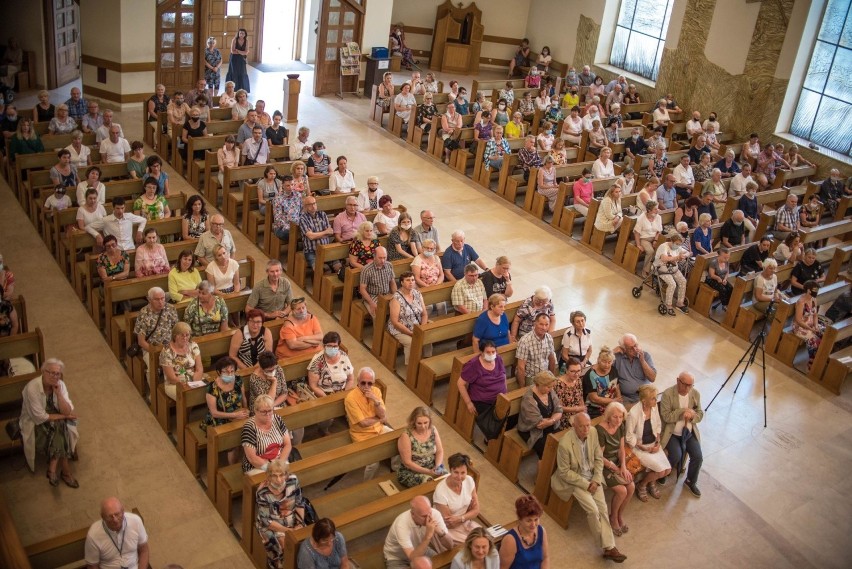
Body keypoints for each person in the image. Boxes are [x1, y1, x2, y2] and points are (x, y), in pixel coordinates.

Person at [19, 359, 80, 484]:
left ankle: (53, 468)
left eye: (58, 373)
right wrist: (64, 417)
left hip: (55, 419)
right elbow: (40, 417)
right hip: (36, 423)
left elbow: (67, 411)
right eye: (51, 373)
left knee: (59, 425)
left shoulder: (60, 385)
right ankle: (65, 471)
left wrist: (59, 395)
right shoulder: (32, 388)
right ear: (43, 372)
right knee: (61, 425)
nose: (55, 376)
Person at [255, 458, 306, 569]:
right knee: (283, 546)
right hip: (272, 525)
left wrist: (300, 524)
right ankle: (277, 566)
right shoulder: (262, 492)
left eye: (282, 475)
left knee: (305, 542)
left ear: (286, 474)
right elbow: (266, 520)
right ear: (268, 476)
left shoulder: (293, 481)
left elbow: (299, 503)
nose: (279, 479)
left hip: (292, 519)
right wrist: (289, 531)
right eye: (274, 475)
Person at [660, 372, 704, 497]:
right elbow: (667, 417)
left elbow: (700, 414)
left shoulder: (695, 394)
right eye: (685, 385)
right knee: (676, 454)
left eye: (691, 385)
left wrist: (692, 416)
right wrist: (683, 411)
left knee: (698, 456)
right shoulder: (668, 394)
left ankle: (691, 481)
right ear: (678, 381)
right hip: (673, 433)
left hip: (688, 432)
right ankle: (664, 473)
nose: (688, 388)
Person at [594, 402, 634, 537]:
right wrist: (614, 468)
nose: (618, 420)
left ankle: (618, 515)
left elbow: (621, 449)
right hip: (603, 465)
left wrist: (623, 466)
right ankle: (612, 518)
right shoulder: (600, 431)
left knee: (631, 486)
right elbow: (599, 457)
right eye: (615, 417)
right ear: (608, 417)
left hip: (616, 463)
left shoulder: (620, 426)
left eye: (621, 417)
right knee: (622, 491)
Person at [345, 367, 393, 479]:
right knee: (373, 461)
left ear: (373, 383)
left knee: (397, 440)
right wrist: (380, 419)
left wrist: (376, 401)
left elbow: (382, 414)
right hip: (362, 434)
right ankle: (367, 482)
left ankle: (394, 469)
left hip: (379, 428)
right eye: (363, 383)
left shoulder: (376, 392)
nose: (366, 386)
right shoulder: (350, 398)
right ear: (358, 381)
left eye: (369, 383)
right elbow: (363, 423)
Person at [626, 384, 671, 501]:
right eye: (653, 398)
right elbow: (629, 437)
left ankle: (650, 482)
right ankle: (642, 485)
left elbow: (658, 426)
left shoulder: (654, 408)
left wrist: (657, 442)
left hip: (653, 444)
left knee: (668, 470)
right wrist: (643, 447)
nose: (656, 400)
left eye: (655, 398)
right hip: (640, 447)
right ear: (644, 401)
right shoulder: (633, 413)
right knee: (661, 471)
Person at [384, 495, 454, 568]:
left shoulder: (435, 514)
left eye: (429, 513)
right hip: (397, 558)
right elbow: (413, 558)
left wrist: (439, 531)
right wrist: (428, 536)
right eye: (424, 516)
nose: (428, 518)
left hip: (422, 549)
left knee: (441, 565)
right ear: (413, 514)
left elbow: (450, 546)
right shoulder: (401, 524)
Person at [458, 339, 508, 441]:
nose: (491, 354)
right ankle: (490, 438)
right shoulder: (473, 365)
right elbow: (460, 384)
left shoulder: (498, 359)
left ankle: (500, 436)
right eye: (488, 352)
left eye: (493, 352)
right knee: (494, 422)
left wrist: (505, 393)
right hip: (482, 400)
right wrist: (468, 403)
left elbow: (504, 376)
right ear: (481, 352)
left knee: (511, 415)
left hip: (500, 397)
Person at [199, 356, 249, 452]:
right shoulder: (212, 388)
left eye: (232, 371)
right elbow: (214, 413)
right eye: (226, 371)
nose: (230, 374)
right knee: (233, 442)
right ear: (219, 372)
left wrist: (245, 410)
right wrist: (234, 415)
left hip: (238, 414)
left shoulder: (238, 379)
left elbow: (243, 397)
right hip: (220, 418)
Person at [84, 497, 149, 569]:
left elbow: (144, 550)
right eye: (110, 516)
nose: (115, 520)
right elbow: (92, 566)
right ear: (102, 517)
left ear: (123, 511)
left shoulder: (135, 521)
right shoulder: (93, 535)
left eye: (117, 514)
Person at [435, 453, 481, 546]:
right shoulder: (440, 491)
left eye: (463, 473)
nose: (459, 477)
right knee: (472, 545)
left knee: (485, 537)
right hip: (447, 529)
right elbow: (450, 524)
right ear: (450, 470)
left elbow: (476, 510)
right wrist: (468, 513)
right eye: (456, 472)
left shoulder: (469, 480)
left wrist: (462, 518)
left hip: (465, 521)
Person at [518, 370, 564, 459]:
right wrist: (554, 418)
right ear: (538, 385)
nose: (551, 389)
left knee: (564, 444)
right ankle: (545, 470)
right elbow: (539, 424)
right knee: (548, 450)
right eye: (548, 387)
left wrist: (551, 421)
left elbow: (559, 410)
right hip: (532, 431)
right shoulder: (529, 399)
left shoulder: (550, 391)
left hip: (550, 426)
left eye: (552, 386)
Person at [242, 394, 292, 474]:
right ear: (255, 411)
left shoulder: (277, 419)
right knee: (273, 482)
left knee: (290, 479)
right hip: (257, 466)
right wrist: (271, 468)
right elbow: (252, 458)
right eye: (263, 412)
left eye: (270, 410)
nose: (268, 414)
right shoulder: (249, 427)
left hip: (279, 461)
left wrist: (281, 463)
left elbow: (287, 444)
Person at [397, 406, 445, 488]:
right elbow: (407, 463)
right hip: (411, 471)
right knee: (430, 484)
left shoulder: (433, 429)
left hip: (432, 467)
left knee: (448, 478)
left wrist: (437, 466)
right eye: (419, 423)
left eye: (426, 422)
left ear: (430, 421)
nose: (423, 426)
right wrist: (429, 472)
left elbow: (439, 451)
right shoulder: (406, 436)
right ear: (413, 422)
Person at [389, 271, 431, 365]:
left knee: (429, 332)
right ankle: (411, 367)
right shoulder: (396, 298)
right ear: (402, 282)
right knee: (411, 342)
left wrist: (422, 329)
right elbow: (395, 322)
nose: (411, 282)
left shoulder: (417, 294)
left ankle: (427, 360)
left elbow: (424, 314)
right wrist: (411, 333)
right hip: (401, 328)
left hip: (417, 324)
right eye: (408, 280)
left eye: (412, 280)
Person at [498, 495, 551, 568]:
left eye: (536, 519)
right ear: (520, 520)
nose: (533, 524)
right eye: (529, 520)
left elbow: (545, 558)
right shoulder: (510, 540)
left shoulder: (542, 531)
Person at [134, 286, 179, 368]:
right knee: (152, 368)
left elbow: (176, 330)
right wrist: (156, 352)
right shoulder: (143, 314)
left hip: (170, 346)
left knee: (181, 363)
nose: (161, 302)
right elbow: (141, 342)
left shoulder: (170, 308)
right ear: (149, 299)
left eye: (162, 298)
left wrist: (175, 347)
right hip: (151, 348)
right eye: (157, 299)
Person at [159, 321, 203, 400]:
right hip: (174, 384)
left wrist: (195, 382)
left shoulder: (193, 345)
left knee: (208, 391)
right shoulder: (166, 351)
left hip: (193, 379)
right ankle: (185, 412)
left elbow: (199, 368)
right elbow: (171, 378)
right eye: (182, 335)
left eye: (187, 335)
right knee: (188, 397)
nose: (185, 338)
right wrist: (187, 386)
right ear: (175, 336)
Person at [307, 331, 354, 399]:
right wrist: (328, 399)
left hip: (344, 391)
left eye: (335, 346)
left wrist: (344, 395)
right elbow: (313, 386)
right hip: (325, 394)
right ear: (324, 346)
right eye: (329, 346)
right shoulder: (317, 361)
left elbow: (351, 379)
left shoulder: (343, 356)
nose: (332, 348)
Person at [613, 333, 656, 404]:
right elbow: (599, 368)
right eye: (631, 348)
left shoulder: (645, 356)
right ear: (624, 349)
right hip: (626, 398)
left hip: (644, 395)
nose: (635, 349)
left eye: (635, 345)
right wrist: (611, 352)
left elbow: (652, 378)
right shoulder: (617, 357)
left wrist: (642, 361)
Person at [516, 314, 557, 386]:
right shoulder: (525, 341)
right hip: (531, 376)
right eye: (541, 324)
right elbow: (521, 367)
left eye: (546, 325)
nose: (544, 327)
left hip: (545, 374)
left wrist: (552, 378)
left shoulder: (549, 338)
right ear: (535, 323)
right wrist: (522, 387)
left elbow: (552, 359)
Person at [655, 231, 690, 316]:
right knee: (672, 284)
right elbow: (664, 258)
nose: (678, 246)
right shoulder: (664, 246)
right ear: (672, 241)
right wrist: (677, 257)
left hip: (673, 269)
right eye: (676, 244)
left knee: (683, 281)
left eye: (679, 244)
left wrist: (683, 255)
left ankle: (680, 303)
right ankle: (668, 304)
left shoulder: (678, 247)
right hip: (662, 269)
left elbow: (688, 252)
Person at [582, 346, 621, 418]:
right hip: (594, 408)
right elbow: (594, 398)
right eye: (604, 362)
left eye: (609, 362)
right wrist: (613, 401)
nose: (607, 365)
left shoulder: (613, 370)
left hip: (611, 404)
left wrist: (618, 398)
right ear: (598, 360)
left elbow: (617, 386)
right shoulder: (591, 375)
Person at [793, 280, 825, 369]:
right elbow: (798, 320)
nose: (816, 292)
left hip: (811, 324)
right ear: (808, 290)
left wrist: (816, 326)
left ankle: (821, 359)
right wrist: (811, 329)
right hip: (800, 327)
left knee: (825, 334)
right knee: (813, 340)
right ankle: (812, 364)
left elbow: (815, 315)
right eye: (814, 290)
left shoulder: (814, 299)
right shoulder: (801, 302)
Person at [299, 196, 336, 270]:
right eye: (310, 204)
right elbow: (311, 237)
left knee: (338, 266)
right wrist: (324, 232)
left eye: (314, 203)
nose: (313, 206)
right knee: (321, 269)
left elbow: (330, 232)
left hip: (326, 248)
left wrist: (315, 234)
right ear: (305, 206)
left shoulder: (322, 214)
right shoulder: (303, 218)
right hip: (311, 251)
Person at [359, 245, 397, 318]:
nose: (383, 260)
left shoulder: (389, 265)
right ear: (374, 256)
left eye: (384, 258)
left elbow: (392, 283)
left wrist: (396, 296)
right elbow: (362, 289)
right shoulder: (366, 269)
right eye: (380, 258)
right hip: (372, 296)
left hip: (387, 294)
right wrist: (371, 302)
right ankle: (378, 329)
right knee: (378, 313)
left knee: (399, 307)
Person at [554, 358, 588, 430]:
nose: (576, 374)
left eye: (578, 371)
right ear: (566, 371)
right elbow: (560, 408)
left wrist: (583, 412)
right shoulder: (559, 384)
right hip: (564, 417)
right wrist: (577, 409)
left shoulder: (578, 380)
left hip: (577, 413)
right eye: (573, 371)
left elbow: (581, 399)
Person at [634, 200, 663, 277]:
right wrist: (638, 245)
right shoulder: (641, 218)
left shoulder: (658, 217)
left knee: (661, 250)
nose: (657, 210)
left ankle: (656, 270)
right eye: (655, 209)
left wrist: (656, 240)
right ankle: (645, 270)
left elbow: (659, 231)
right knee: (650, 251)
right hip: (644, 238)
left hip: (655, 238)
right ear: (649, 210)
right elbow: (637, 233)